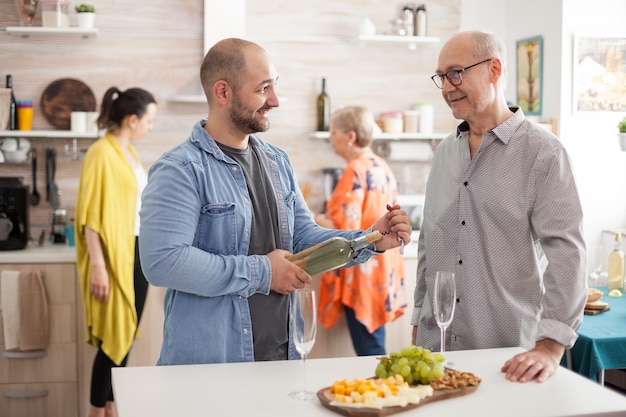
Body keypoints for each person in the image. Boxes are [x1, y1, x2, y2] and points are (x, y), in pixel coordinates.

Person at [138, 38, 411, 366]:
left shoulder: (276, 161)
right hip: (213, 367)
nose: (275, 101)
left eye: (275, 86)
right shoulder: (180, 169)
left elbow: (303, 238)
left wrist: (371, 238)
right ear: (222, 92)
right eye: (263, 88)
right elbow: (163, 262)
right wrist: (263, 271)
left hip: (283, 358)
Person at [411, 30, 586, 383]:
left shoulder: (544, 153)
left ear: (494, 69)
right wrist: (417, 323)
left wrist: (550, 346)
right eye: (441, 77)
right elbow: (430, 243)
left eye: (457, 73)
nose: (447, 87)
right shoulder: (444, 152)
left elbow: (568, 253)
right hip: (435, 352)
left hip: (507, 359)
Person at [75, 87, 157, 417]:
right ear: (133, 120)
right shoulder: (101, 153)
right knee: (113, 340)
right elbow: (90, 215)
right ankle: (96, 413)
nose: (151, 126)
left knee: (126, 338)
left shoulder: (129, 153)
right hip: (112, 259)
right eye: (149, 121)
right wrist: (98, 266)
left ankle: (111, 408)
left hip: (137, 254)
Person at [314, 106, 406, 356]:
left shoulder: (355, 170)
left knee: (370, 353)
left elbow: (344, 229)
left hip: (363, 275)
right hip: (382, 272)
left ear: (350, 137)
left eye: (334, 132)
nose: (331, 137)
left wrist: (312, 219)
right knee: (374, 347)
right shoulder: (381, 166)